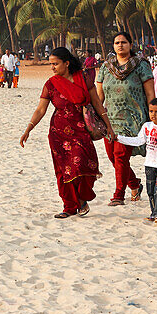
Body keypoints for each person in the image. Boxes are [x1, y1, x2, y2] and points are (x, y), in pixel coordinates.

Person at [20, 47, 114, 218]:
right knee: (63, 170)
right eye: (51, 64)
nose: (52, 67)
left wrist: (108, 125)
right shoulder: (51, 84)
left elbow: (97, 104)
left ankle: (81, 198)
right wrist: (29, 129)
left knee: (84, 164)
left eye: (55, 64)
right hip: (58, 132)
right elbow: (41, 110)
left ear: (67, 63)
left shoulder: (84, 79)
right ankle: (69, 206)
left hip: (81, 130)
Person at [96, 32, 155, 206]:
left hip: (133, 119)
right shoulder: (106, 67)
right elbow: (99, 96)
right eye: (116, 42)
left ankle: (118, 195)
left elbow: (150, 93)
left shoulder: (141, 65)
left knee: (121, 155)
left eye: (124, 42)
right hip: (110, 119)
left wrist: (153, 118)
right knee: (113, 158)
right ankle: (134, 184)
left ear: (130, 44)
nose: (120, 45)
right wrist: (94, 116)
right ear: (113, 46)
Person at [115, 97, 157, 225]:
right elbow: (138, 141)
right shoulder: (147, 126)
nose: (153, 115)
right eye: (151, 111)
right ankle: (153, 213)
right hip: (150, 164)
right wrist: (119, 138)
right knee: (150, 190)